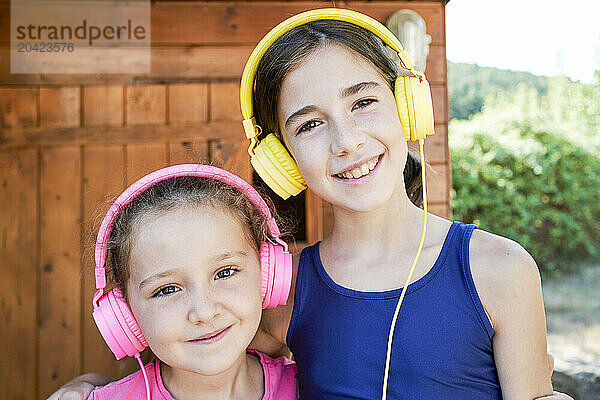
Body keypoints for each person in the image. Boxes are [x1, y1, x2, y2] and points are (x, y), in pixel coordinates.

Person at [49, 9, 573, 400]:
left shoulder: (501, 270)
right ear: (280, 157)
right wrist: (88, 386)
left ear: (408, 109)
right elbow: (183, 363)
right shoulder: (282, 294)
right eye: (309, 124)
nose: (345, 141)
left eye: (364, 102)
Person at [75, 164, 297, 400]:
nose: (204, 312)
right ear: (124, 314)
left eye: (225, 272)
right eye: (167, 289)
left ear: (269, 275)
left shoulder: (313, 388)